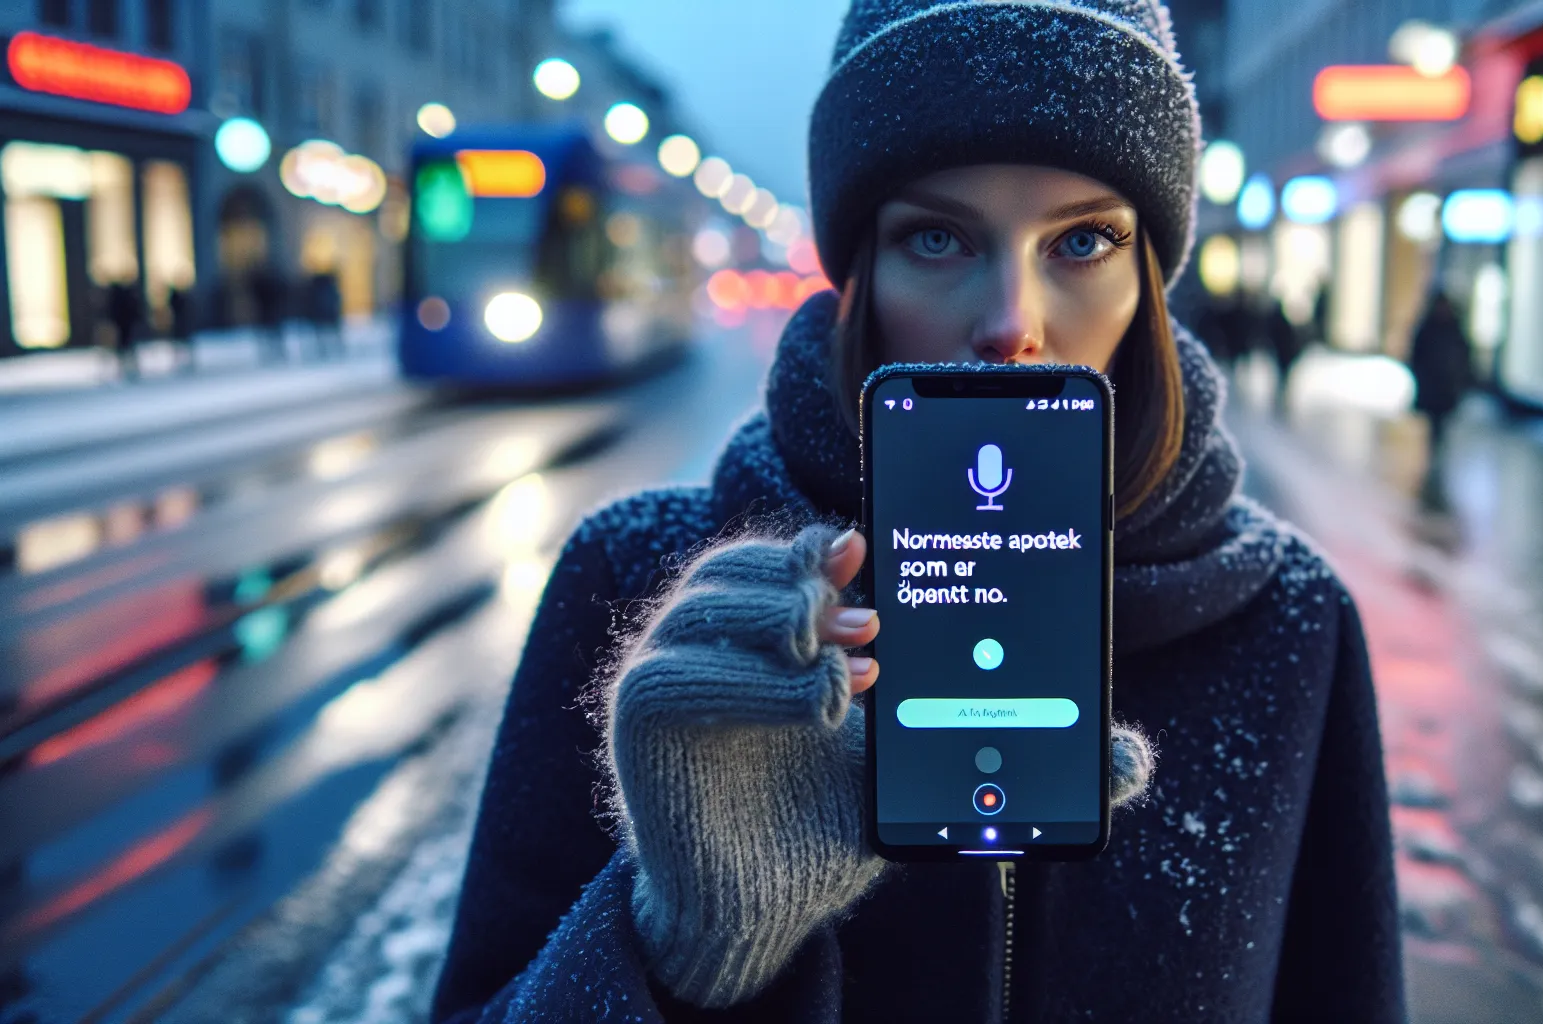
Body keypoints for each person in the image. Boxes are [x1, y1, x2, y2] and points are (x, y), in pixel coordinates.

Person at [430, 2, 1402, 1021]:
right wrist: (690, 949)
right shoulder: (641, 581)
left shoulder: (1287, 620)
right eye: (936, 237)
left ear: (1149, 276)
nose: (1008, 323)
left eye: (1081, 241)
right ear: (859, 271)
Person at [1407, 290, 1475, 465]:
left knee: (1441, 420)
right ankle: (1434, 449)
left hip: (1446, 386)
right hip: (1433, 385)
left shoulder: (1453, 330)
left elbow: (1463, 357)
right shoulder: (1430, 329)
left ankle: (1436, 449)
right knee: (1435, 420)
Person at [105, 282, 142, 380]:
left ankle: (127, 369)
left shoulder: (118, 299)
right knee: (127, 348)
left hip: (123, 326)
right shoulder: (127, 297)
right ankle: (129, 369)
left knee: (125, 348)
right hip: (125, 326)